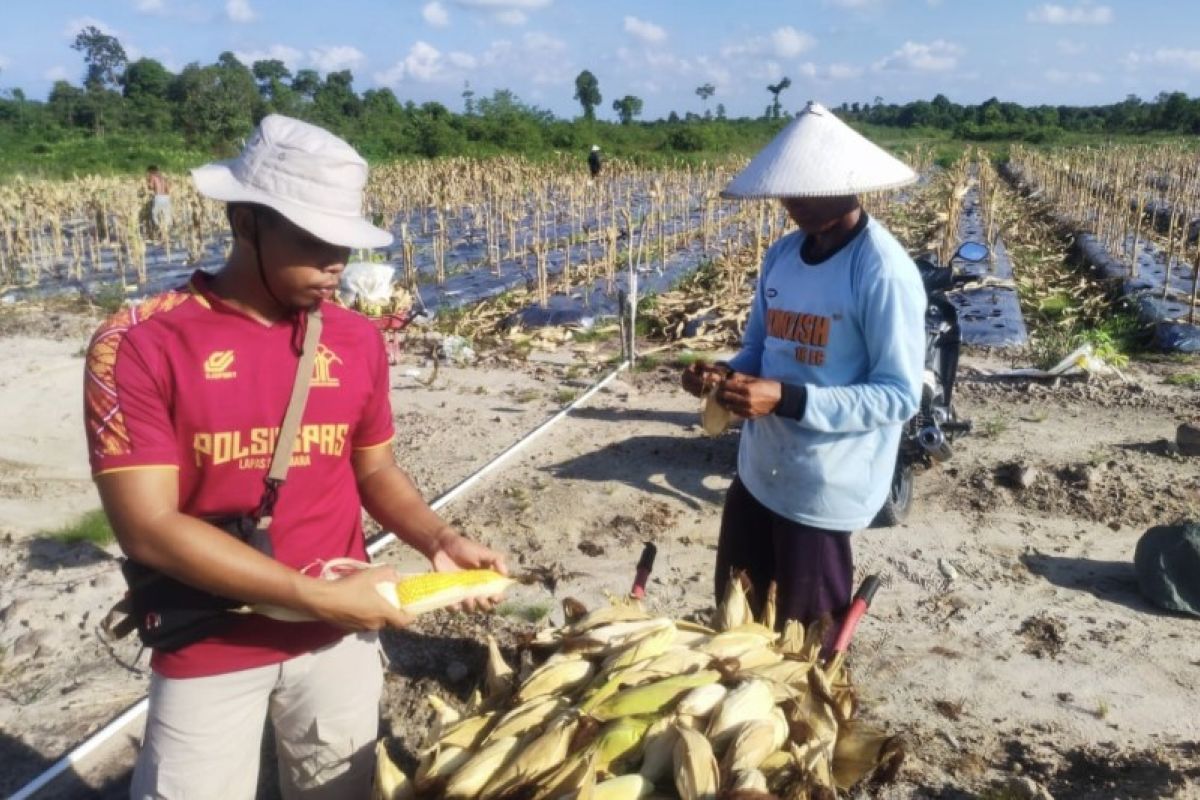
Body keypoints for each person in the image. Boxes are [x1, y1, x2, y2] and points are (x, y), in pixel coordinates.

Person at [85, 115, 507, 799]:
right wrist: (319, 597)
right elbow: (149, 528)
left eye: (344, 240)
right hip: (210, 644)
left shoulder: (357, 340)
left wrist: (441, 538)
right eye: (313, 240)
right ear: (246, 220)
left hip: (337, 645)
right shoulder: (140, 343)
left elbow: (373, 470)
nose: (336, 262)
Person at [681, 101, 925, 638]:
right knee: (736, 612)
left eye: (808, 190)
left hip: (823, 481)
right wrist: (723, 374)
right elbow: (760, 349)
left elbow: (898, 395)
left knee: (806, 638)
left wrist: (786, 399)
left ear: (849, 185)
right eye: (788, 192)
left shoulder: (881, 270)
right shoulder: (783, 255)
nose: (794, 204)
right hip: (760, 468)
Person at [146, 165, 172, 241]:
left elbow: (150, 186)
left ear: (151, 171)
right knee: (167, 216)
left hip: (158, 197)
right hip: (166, 197)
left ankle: (160, 230)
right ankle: (166, 235)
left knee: (154, 215)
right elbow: (168, 188)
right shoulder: (163, 178)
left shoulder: (152, 177)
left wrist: (147, 184)